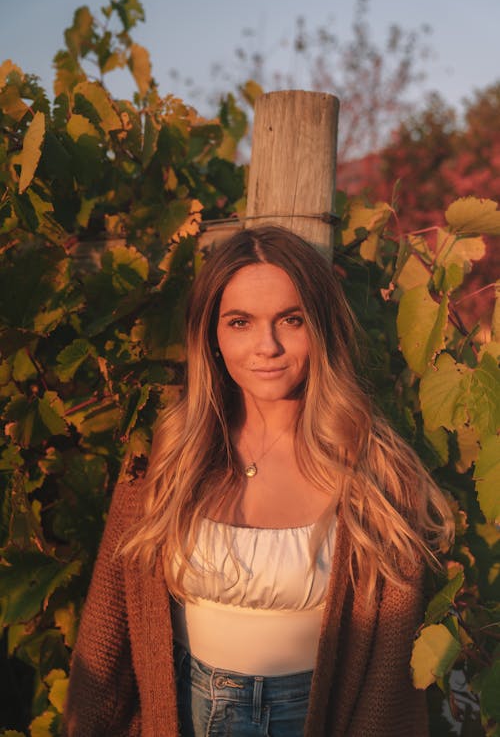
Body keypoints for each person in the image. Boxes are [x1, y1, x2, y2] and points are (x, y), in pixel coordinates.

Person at [64, 226, 454, 737]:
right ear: (212, 334)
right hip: (181, 714)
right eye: (240, 322)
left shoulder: (377, 473)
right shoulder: (168, 455)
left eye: (290, 320)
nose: (266, 346)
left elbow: (388, 674)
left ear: (321, 328)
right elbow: (107, 627)